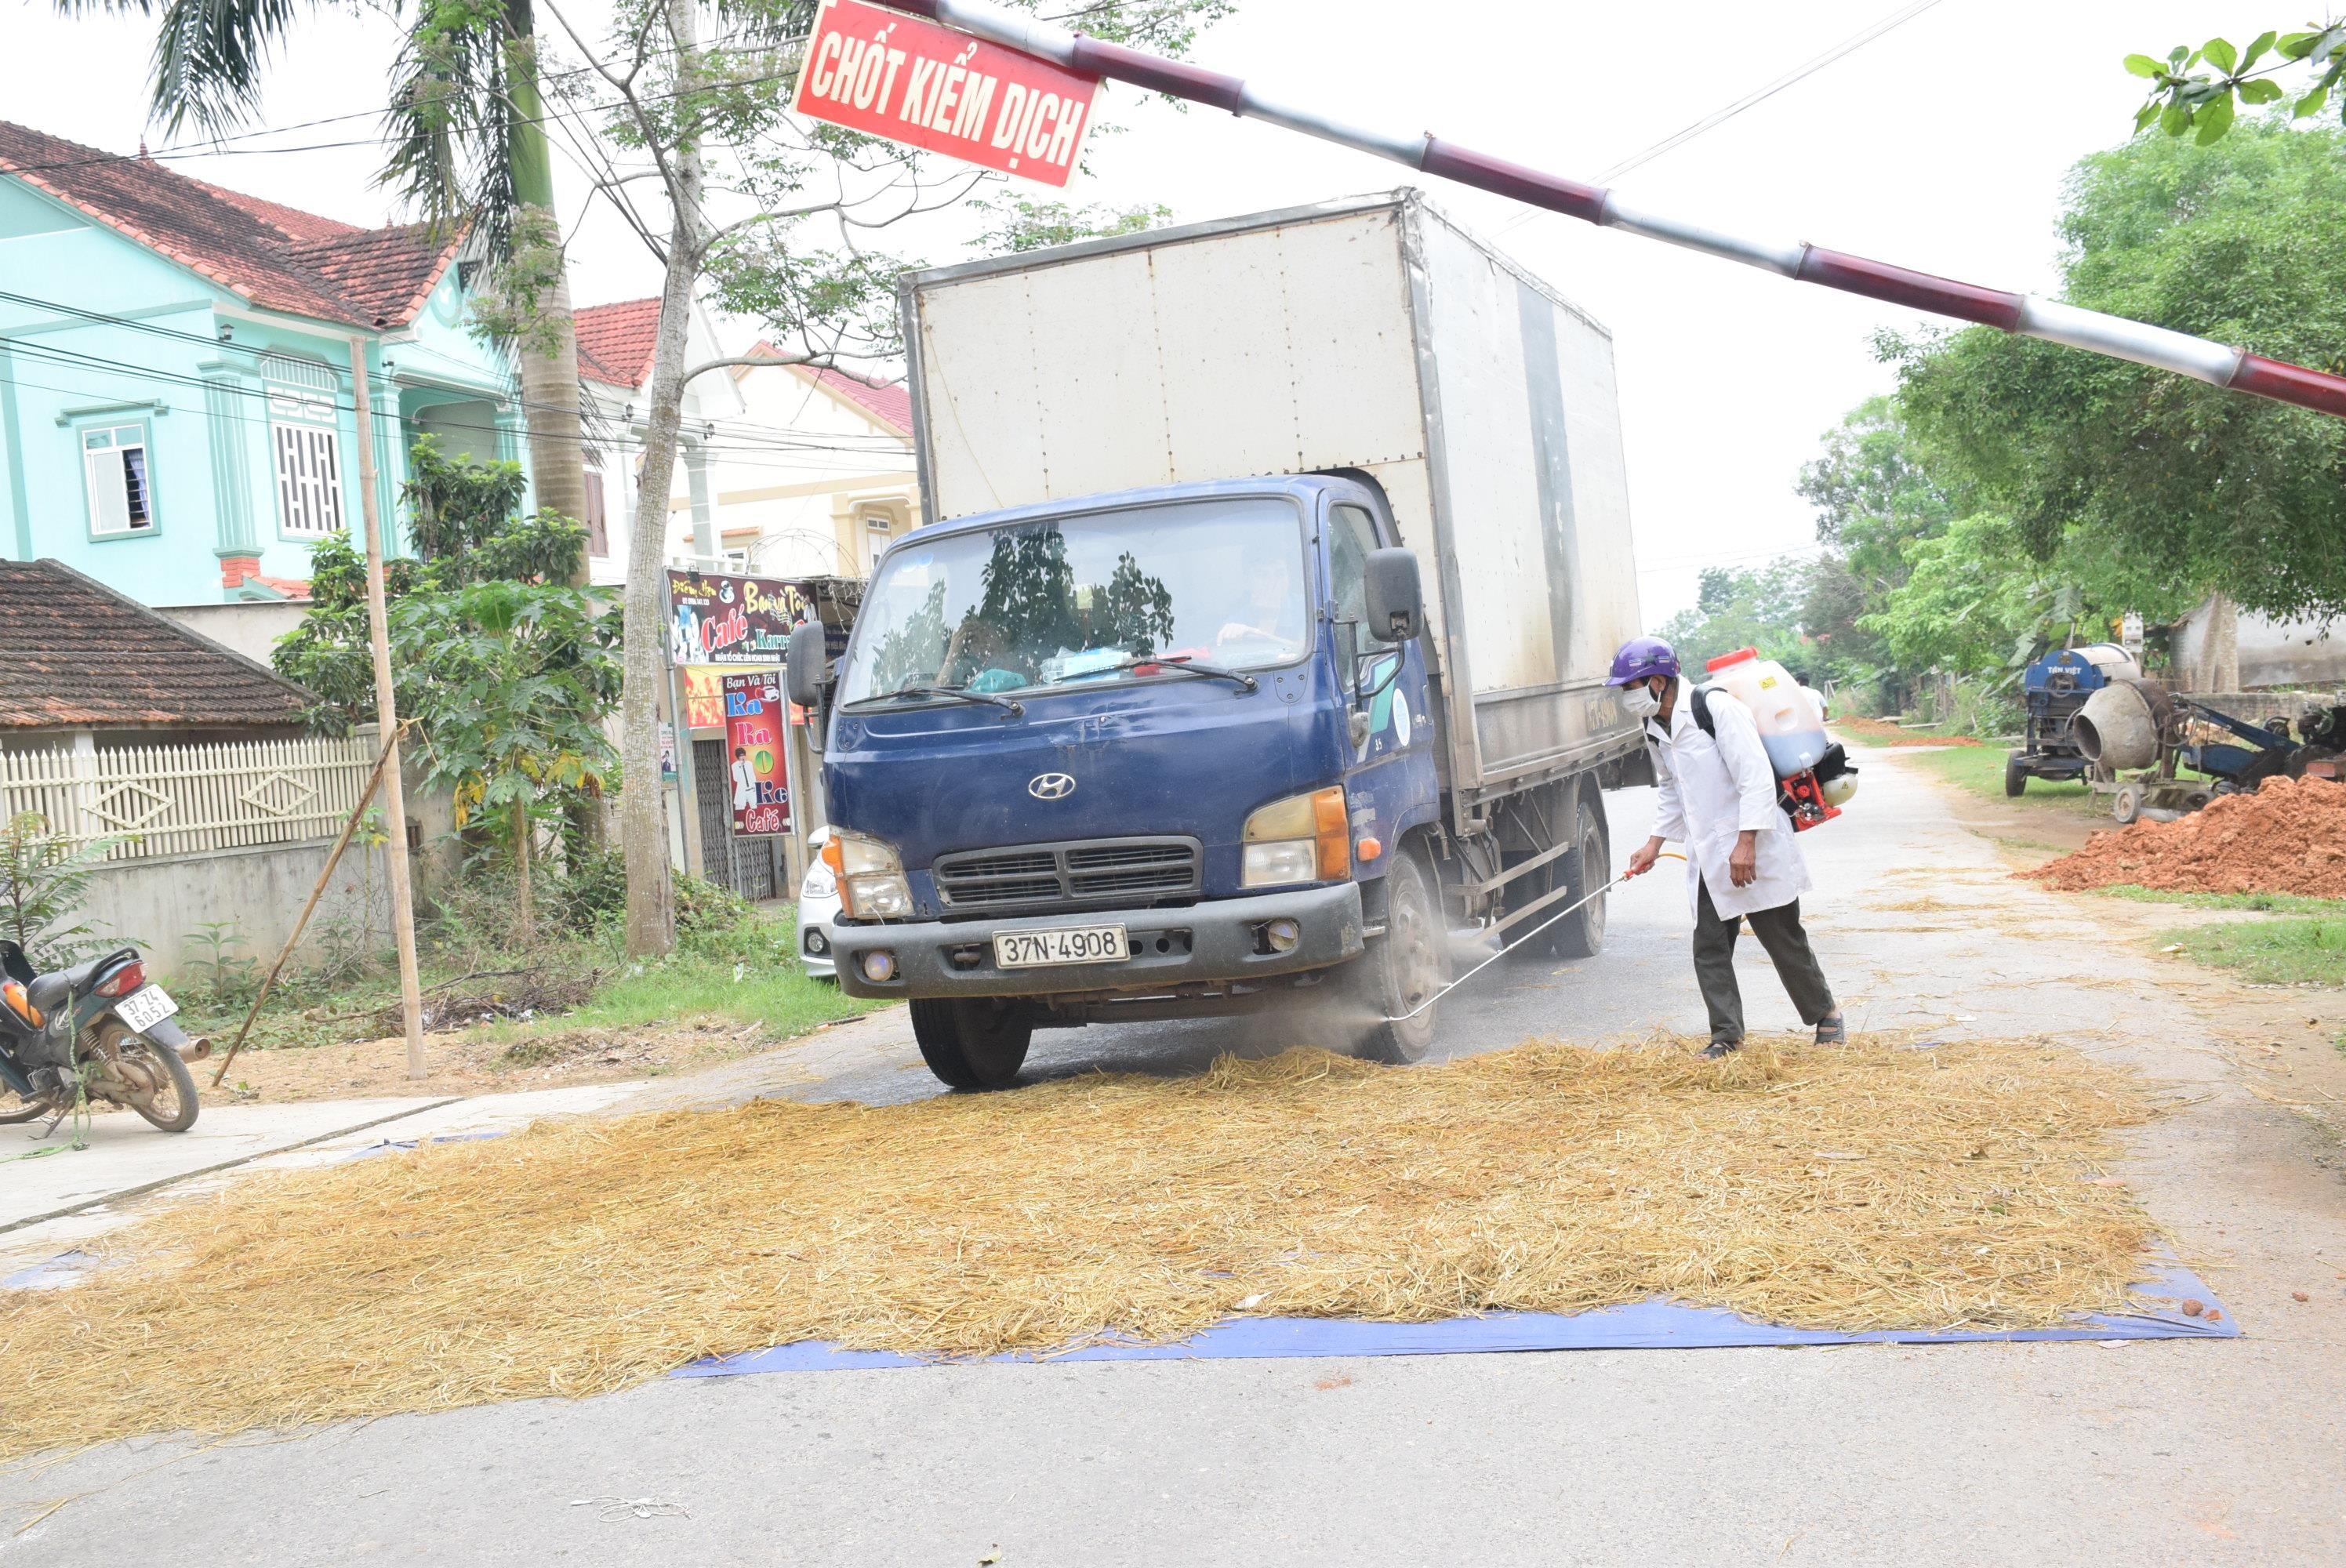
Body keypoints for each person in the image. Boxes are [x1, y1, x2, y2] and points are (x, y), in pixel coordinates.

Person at [1611, 636, 1845, 1058]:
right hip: (1709, 853)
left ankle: (1826, 1013)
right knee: (1710, 945)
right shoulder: (1652, 725)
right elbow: (1671, 787)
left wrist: (1746, 843)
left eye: (1631, 687)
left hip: (1752, 840)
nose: (1627, 697)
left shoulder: (1714, 708)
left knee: (1782, 938)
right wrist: (1653, 843)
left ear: (1658, 681)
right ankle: (1727, 1035)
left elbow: (1755, 776)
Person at [730, 745, 756, 811]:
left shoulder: (749, 763)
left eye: (743, 755)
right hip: (741, 791)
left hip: (751, 790)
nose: (742, 757)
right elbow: (735, 779)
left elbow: (753, 776)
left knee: (755, 807)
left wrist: (755, 787)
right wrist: (740, 767)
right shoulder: (734, 766)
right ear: (738, 757)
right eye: (740, 756)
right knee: (739, 809)